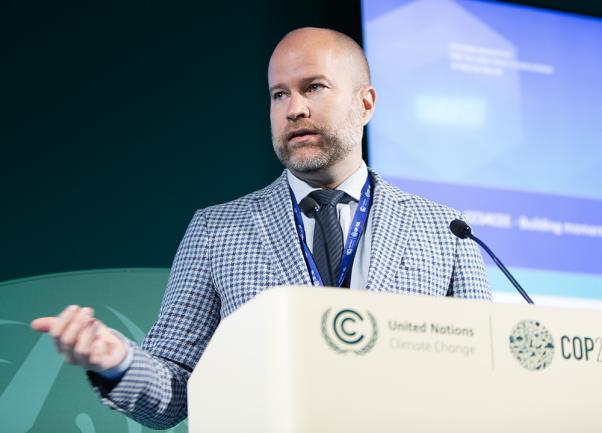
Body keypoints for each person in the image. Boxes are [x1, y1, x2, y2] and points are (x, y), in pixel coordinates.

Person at [31, 27, 491, 429]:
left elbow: (487, 376)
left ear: (365, 103)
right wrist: (119, 362)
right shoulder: (217, 230)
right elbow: (174, 390)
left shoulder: (445, 230)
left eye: (313, 87)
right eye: (279, 94)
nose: (294, 109)